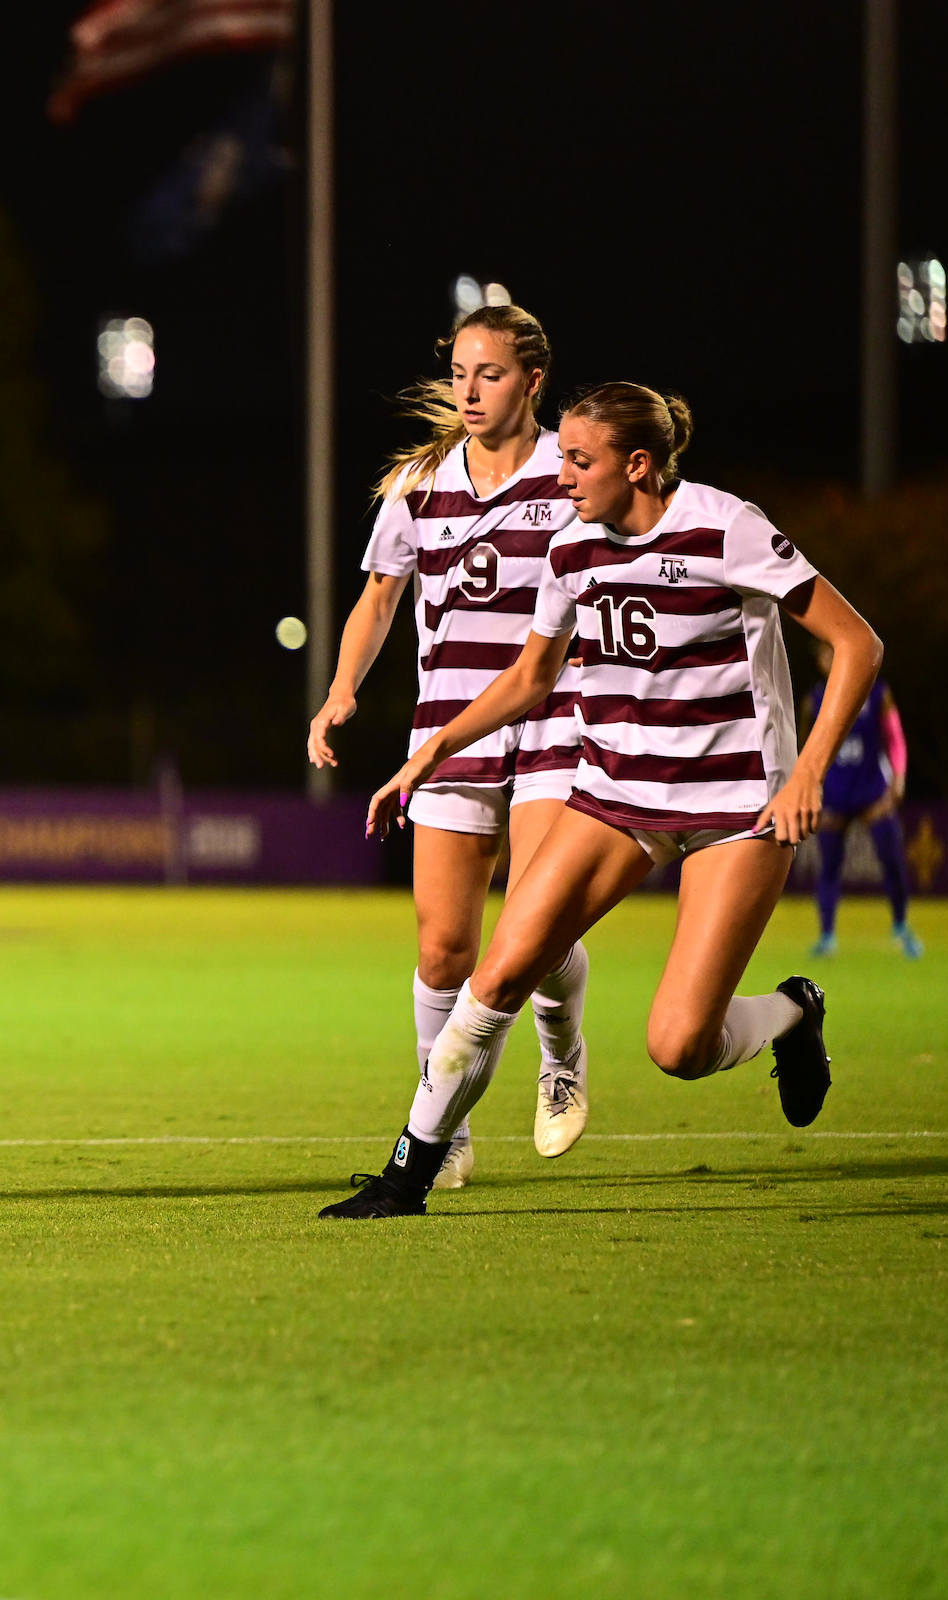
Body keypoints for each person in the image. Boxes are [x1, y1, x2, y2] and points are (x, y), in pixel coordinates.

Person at [321, 383, 882, 1219]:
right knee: (498, 973)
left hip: (735, 806)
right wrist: (433, 750)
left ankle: (795, 1013)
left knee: (680, 1047)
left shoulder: (726, 525)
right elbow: (530, 679)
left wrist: (808, 773)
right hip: (614, 795)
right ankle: (409, 1174)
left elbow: (857, 643)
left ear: (640, 464)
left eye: (580, 462)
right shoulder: (572, 545)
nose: (563, 478)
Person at [308, 305, 591, 1189]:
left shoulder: (573, 475)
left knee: (535, 927)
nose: (468, 391)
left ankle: (562, 1058)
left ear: (533, 382)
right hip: (448, 732)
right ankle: (446, 1124)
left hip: (553, 723)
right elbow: (379, 598)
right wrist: (342, 686)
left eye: (491, 374)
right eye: (459, 372)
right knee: (443, 950)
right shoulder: (422, 482)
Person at [805, 640, 921, 958]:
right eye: (826, 654)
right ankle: (826, 936)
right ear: (820, 663)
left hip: (872, 791)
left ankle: (901, 926)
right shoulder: (813, 701)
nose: (831, 659)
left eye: (835, 652)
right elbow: (806, 751)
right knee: (829, 866)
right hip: (835, 794)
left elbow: (894, 736)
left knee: (892, 860)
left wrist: (898, 777)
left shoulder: (877, 692)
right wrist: (810, 789)